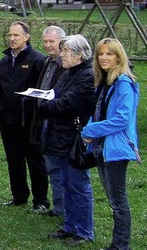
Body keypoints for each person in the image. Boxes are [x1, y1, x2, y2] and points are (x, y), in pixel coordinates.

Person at [37, 35, 96, 246]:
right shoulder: (69, 72)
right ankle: (70, 225)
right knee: (66, 183)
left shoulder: (87, 76)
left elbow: (66, 104)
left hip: (74, 139)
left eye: (65, 52)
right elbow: (55, 94)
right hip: (60, 135)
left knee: (78, 185)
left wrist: (43, 106)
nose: (61, 55)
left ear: (78, 55)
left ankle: (84, 230)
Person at [82, 38, 140, 250]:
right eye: (101, 54)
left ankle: (121, 244)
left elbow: (122, 119)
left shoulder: (123, 83)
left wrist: (90, 130)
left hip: (115, 148)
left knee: (118, 201)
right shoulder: (104, 82)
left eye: (109, 54)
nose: (104, 58)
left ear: (119, 57)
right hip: (101, 146)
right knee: (112, 198)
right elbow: (97, 112)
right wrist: (88, 129)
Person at [0, 21, 50, 210]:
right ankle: (19, 196)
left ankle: (40, 200)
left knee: (35, 161)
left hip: (30, 121)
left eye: (16, 35)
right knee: (14, 161)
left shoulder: (37, 60)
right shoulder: (4, 61)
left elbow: (45, 92)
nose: (12, 39)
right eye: (10, 35)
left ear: (27, 37)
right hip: (8, 121)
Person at [30, 25, 67, 216]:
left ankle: (63, 207)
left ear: (62, 41)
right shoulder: (47, 62)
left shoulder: (66, 64)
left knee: (60, 167)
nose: (47, 45)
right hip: (43, 116)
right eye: (45, 41)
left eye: (51, 41)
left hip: (58, 120)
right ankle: (59, 206)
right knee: (51, 165)